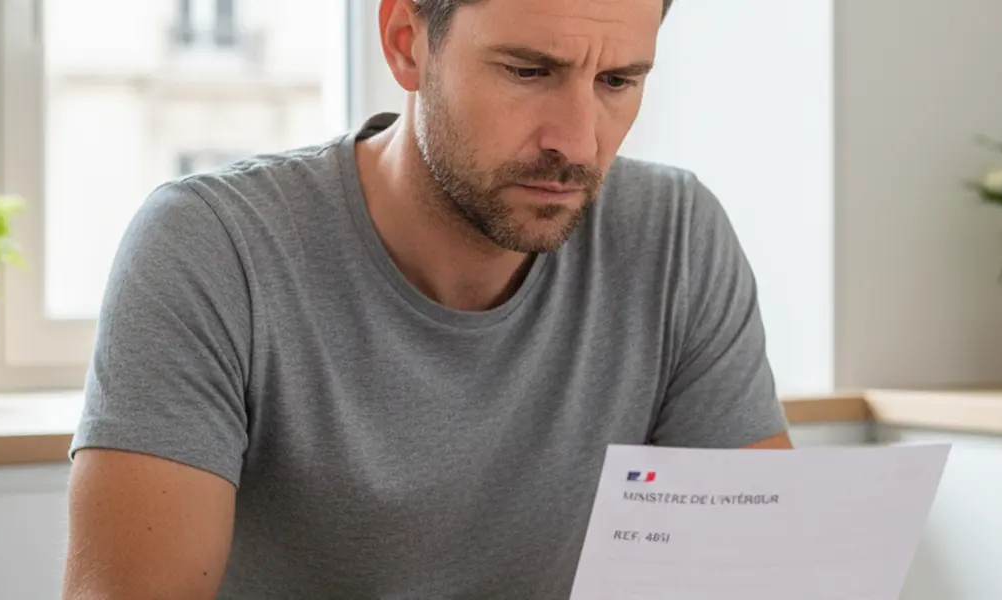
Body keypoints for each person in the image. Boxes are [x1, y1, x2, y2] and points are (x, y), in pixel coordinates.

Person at [61, 0, 792, 597]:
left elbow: (764, 575)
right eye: (529, 70)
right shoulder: (214, 246)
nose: (576, 141)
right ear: (407, 43)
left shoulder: (675, 237)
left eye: (617, 83)